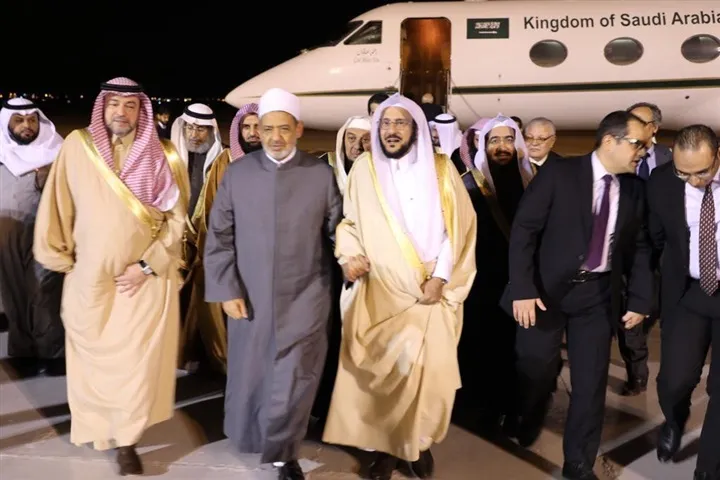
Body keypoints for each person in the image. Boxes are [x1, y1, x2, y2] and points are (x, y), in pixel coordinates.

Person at [33, 77, 187, 476]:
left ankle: (128, 442)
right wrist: (61, 258)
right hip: (90, 278)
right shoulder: (78, 146)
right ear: (102, 107)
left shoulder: (164, 155)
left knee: (135, 365)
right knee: (91, 363)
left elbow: (176, 221)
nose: (121, 112)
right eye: (114, 104)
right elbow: (57, 204)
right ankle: (101, 431)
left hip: (143, 281)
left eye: (130, 105)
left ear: (141, 111)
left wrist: (148, 266)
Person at [322, 93, 477, 480]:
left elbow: (457, 231)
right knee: (382, 378)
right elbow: (350, 223)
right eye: (386, 123)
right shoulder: (364, 169)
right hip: (380, 293)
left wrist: (441, 278)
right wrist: (349, 255)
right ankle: (386, 450)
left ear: (415, 128)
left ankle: (417, 444)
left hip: (430, 294)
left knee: (428, 377)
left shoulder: (441, 170)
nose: (392, 130)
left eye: (400, 123)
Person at [502, 110, 654, 480]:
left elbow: (640, 247)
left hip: (597, 297)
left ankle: (578, 464)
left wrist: (639, 299)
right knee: (535, 369)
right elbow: (524, 231)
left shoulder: (635, 189)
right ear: (610, 141)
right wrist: (522, 288)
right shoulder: (560, 174)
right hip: (543, 294)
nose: (644, 151)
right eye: (638, 144)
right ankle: (527, 414)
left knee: (590, 383)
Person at [203, 87, 342, 480]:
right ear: (258, 131)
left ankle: (284, 454)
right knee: (253, 374)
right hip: (250, 296)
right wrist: (226, 289)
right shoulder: (238, 173)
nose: (275, 137)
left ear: (298, 129)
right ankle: (254, 436)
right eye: (267, 129)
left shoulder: (320, 174)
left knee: (296, 377)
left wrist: (354, 257)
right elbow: (219, 236)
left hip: (307, 296)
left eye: (284, 129)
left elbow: (338, 230)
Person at [648, 125, 719, 480]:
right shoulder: (662, 182)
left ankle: (707, 470)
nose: (693, 181)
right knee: (673, 381)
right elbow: (655, 239)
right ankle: (674, 420)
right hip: (690, 292)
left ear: (718, 156)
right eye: (684, 173)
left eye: (702, 172)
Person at [458, 115, 534, 431]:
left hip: (522, 283)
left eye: (508, 140)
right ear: (483, 145)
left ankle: (511, 407)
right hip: (480, 283)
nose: (502, 147)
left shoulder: (533, 180)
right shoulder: (466, 184)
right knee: (479, 344)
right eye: (494, 140)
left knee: (516, 349)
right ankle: (479, 409)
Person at [0, 98, 65, 377]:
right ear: (7, 123)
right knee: (14, 294)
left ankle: (53, 353)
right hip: (7, 236)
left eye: (32, 120)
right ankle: (23, 351)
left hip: (46, 235)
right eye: (19, 120)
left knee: (45, 292)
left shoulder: (57, 152)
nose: (27, 125)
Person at [171, 103, 232, 373]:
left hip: (209, 244)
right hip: (175, 243)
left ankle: (213, 360)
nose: (194, 135)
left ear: (211, 131)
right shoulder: (172, 157)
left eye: (201, 129)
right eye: (190, 128)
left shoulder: (223, 161)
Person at [318, 115, 371, 194]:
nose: (358, 146)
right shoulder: (324, 164)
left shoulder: (379, 171)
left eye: (365, 140)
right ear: (342, 140)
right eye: (351, 138)